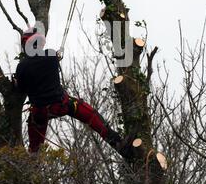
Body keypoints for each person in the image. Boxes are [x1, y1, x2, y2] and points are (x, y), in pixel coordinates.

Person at [15, 27, 131, 158]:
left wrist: (17, 80)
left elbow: (20, 89)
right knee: (92, 116)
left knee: (35, 148)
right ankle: (119, 144)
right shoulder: (51, 55)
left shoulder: (22, 67)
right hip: (62, 105)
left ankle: (32, 163)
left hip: (40, 112)